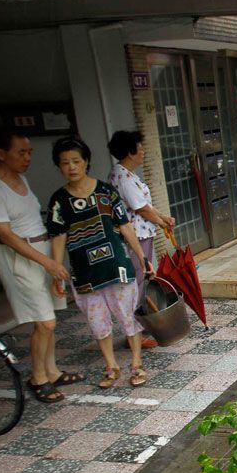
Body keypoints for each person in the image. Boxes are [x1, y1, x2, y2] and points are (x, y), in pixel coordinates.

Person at [0, 128, 84, 403]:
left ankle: (52, 371)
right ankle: (38, 377)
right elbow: (6, 235)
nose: (27, 158)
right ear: (1, 154)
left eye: (29, 152)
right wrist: (48, 262)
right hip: (19, 259)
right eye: (21, 152)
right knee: (44, 321)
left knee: (49, 319)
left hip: (41, 250)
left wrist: (51, 259)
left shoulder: (21, 179)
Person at [46, 137, 151, 388]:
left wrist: (142, 257)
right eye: (65, 163)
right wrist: (56, 271)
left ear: (86, 162)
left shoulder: (106, 191)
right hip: (84, 272)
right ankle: (111, 366)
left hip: (116, 265)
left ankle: (136, 364)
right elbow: (58, 237)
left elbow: (125, 226)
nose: (71, 167)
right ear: (59, 167)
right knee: (98, 322)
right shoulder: (59, 201)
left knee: (128, 316)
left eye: (76, 161)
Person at [107, 131, 174, 350]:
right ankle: (133, 332)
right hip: (135, 236)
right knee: (136, 283)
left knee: (141, 280)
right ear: (130, 151)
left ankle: (139, 325)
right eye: (140, 148)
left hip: (142, 233)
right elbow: (141, 209)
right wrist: (162, 222)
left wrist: (162, 217)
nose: (144, 152)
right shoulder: (122, 176)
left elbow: (146, 206)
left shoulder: (127, 174)